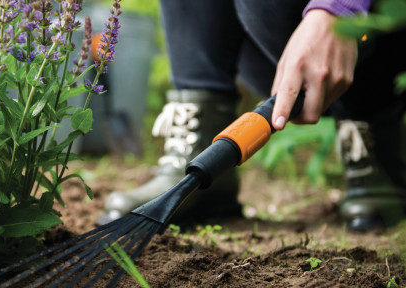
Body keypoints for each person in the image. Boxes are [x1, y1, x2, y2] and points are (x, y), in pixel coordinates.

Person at [98, 0, 406, 231]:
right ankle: (200, 155)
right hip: (272, 50)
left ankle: (372, 139)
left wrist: (339, 8)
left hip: (375, 34)